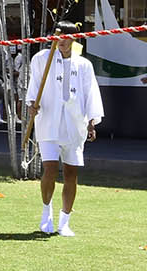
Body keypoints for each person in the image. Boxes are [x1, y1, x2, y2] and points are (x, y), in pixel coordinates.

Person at [26, 23, 102, 238]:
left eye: (68, 37)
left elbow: (90, 93)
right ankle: (46, 212)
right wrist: (32, 103)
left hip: (74, 123)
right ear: (53, 37)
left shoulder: (84, 64)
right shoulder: (42, 58)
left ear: (74, 39)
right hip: (49, 120)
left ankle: (65, 221)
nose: (63, 41)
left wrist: (92, 122)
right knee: (49, 168)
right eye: (60, 36)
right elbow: (34, 86)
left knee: (71, 173)